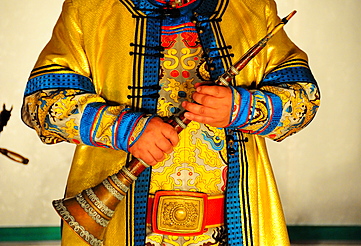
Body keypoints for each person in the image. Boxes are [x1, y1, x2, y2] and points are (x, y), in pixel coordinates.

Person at [21, 0, 320, 245]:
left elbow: (303, 99)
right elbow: (41, 103)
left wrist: (242, 108)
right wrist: (123, 128)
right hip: (117, 226)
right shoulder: (89, 9)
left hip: (233, 230)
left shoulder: (251, 8)